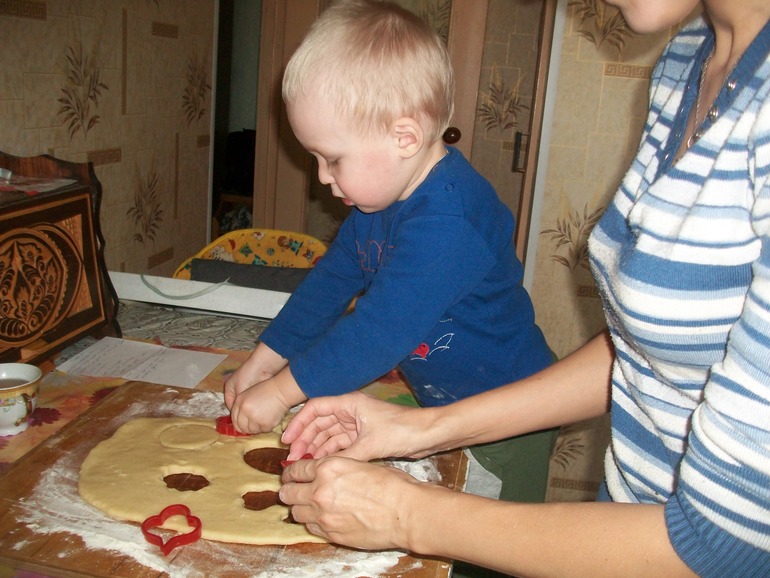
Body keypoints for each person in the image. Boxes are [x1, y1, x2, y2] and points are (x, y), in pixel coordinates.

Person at [278, 0, 770, 576]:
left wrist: (407, 514)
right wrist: (420, 429)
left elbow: (726, 544)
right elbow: (644, 356)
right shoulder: (686, 59)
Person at [224, 0, 557, 502]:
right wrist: (265, 360)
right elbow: (330, 284)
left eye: (333, 159)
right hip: (442, 406)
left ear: (404, 137)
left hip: (511, 418)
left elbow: (377, 334)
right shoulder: (376, 203)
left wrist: (280, 392)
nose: (322, 177)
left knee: (498, 536)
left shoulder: (450, 222)